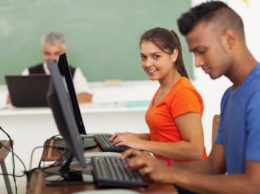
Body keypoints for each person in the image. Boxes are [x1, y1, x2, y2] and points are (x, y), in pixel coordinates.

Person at [122, 1, 260, 193]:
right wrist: (154, 167)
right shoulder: (229, 96)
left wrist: (171, 174)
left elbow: (254, 186)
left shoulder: (257, 96)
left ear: (229, 39)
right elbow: (213, 166)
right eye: (193, 53)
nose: (196, 62)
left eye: (202, 51)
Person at [111, 27, 207, 166]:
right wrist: (134, 137)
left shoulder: (183, 93)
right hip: (168, 171)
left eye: (156, 56)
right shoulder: (164, 89)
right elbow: (167, 137)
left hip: (188, 177)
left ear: (174, 55)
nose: (148, 64)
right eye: (144, 57)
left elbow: (194, 150)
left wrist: (141, 144)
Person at [22, 32, 92, 103]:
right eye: (48, 53)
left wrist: (59, 103)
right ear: (42, 53)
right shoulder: (29, 72)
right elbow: (12, 99)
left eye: (57, 53)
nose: (52, 58)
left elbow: (86, 97)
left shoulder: (74, 73)